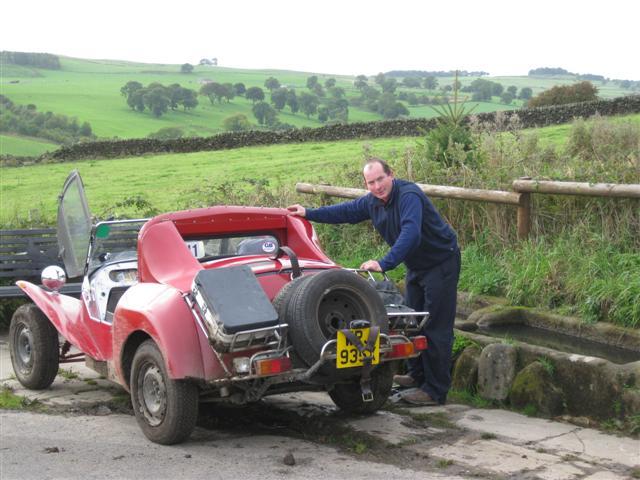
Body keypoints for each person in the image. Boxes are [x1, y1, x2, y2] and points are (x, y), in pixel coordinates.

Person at [287, 158, 460, 406]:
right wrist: (308, 213)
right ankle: (417, 376)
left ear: (391, 175)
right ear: (366, 184)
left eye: (380, 179)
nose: (377, 186)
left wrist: (384, 263)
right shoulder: (373, 202)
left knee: (436, 326)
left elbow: (411, 233)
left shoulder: (409, 196)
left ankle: (435, 390)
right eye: (371, 182)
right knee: (413, 322)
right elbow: (345, 212)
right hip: (418, 265)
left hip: (440, 262)